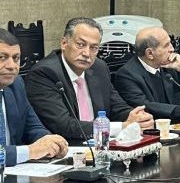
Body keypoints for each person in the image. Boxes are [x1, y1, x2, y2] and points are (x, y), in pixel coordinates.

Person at [25, 17, 154, 141]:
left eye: (94, 48)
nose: (87, 53)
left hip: (101, 145)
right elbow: (63, 125)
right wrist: (121, 127)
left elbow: (116, 106)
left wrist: (136, 117)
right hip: (67, 147)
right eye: (80, 45)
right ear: (64, 43)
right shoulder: (44, 73)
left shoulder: (98, 67)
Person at [0, 29, 68, 166]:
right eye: (2, 57)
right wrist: (30, 151)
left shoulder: (16, 84)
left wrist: (50, 142)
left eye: (16, 58)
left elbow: (32, 127)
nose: (12, 66)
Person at [114, 27, 180, 121]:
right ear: (150, 53)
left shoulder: (170, 67)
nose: (172, 49)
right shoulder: (126, 75)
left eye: (170, 43)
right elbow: (145, 106)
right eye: (166, 45)